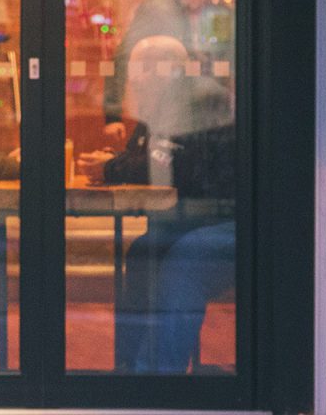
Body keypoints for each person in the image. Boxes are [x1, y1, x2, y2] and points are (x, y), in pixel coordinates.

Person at [86, 34, 236, 374]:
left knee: (186, 256)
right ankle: (130, 370)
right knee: (143, 250)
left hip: (237, 222)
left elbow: (173, 164)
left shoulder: (200, 102)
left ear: (163, 70)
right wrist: (114, 163)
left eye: (138, 70)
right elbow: (146, 155)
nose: (132, 80)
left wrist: (111, 167)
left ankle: (157, 378)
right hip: (195, 218)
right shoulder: (163, 106)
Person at [102, 0, 232, 131]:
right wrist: (113, 114)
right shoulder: (158, 10)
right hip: (170, 116)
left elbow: (226, 61)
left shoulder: (218, 13)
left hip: (212, 118)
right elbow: (124, 57)